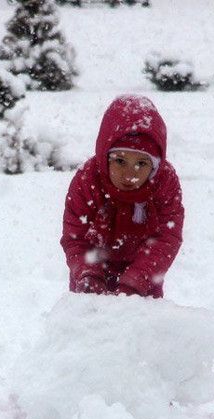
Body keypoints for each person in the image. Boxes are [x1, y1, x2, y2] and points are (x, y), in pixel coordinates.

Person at [60, 95, 184, 298]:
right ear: (104, 155)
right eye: (120, 161)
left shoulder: (164, 182)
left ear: (155, 165)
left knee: (138, 328)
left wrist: (136, 281)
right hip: (90, 278)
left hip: (144, 279)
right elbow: (76, 238)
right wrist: (90, 277)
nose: (130, 175)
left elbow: (167, 238)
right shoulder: (87, 180)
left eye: (142, 164)